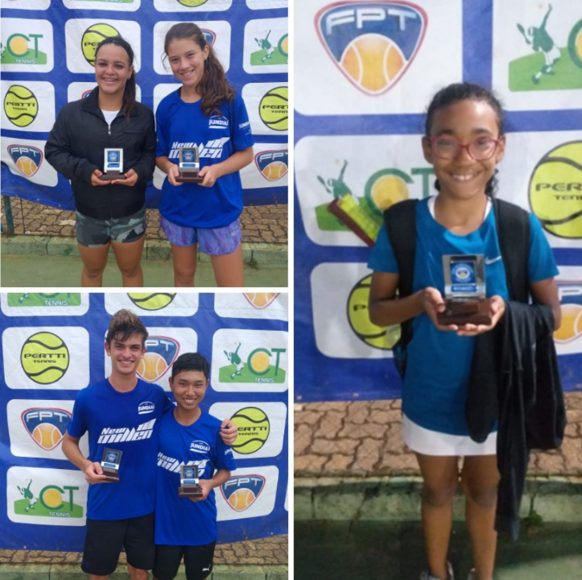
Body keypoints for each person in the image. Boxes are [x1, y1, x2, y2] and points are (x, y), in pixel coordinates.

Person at [367, 83, 561, 580]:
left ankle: (484, 575)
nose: (463, 157)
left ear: (500, 147)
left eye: (480, 141)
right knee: (436, 491)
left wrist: (506, 312)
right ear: (427, 147)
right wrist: (419, 302)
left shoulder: (520, 228)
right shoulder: (403, 226)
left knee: (485, 492)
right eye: (447, 141)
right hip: (429, 394)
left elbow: (551, 315)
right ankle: (438, 573)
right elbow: (379, 312)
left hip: (498, 396)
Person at [61, 310, 237, 580]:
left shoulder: (155, 396)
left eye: (134, 347)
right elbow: (68, 442)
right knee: (99, 573)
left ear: (143, 351)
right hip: (104, 505)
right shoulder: (88, 398)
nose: (127, 354)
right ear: (107, 348)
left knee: (140, 571)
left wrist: (227, 431)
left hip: (146, 508)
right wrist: (85, 465)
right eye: (119, 346)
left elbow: (186, 418)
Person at [45, 36, 155, 287]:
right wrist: (84, 171)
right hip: (89, 213)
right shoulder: (71, 113)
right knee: (92, 272)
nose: (109, 71)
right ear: (95, 66)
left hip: (130, 213)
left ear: (129, 71)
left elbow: (150, 154)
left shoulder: (143, 115)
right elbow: (53, 150)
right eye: (103, 64)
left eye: (118, 65)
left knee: (131, 271)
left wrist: (139, 172)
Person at [155, 23, 254, 287]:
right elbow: (160, 155)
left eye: (190, 55)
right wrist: (169, 168)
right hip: (179, 208)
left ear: (205, 52)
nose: (183, 65)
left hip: (219, 209)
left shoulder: (230, 100)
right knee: (183, 279)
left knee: (231, 286)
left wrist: (216, 171)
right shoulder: (166, 107)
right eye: (175, 59)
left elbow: (246, 154)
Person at [153, 352, 236, 580]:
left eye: (198, 384)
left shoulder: (217, 429)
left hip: (200, 526)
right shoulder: (157, 423)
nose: (190, 392)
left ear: (206, 385)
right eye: (183, 384)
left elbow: (226, 471)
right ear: (171, 383)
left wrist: (210, 483)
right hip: (164, 528)